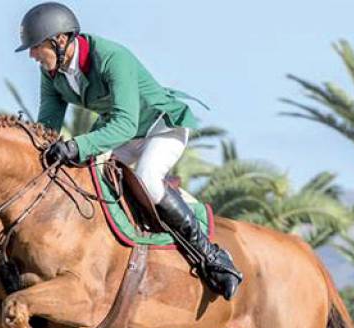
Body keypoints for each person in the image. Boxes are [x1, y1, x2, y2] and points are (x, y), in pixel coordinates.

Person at [16, 2, 243, 300]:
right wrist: (35, 151)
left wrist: (77, 145)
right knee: (86, 179)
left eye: (36, 47)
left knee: (147, 178)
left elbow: (124, 124)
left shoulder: (111, 57)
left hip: (161, 127)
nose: (32, 55)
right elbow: (48, 123)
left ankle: (209, 254)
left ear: (59, 41)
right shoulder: (53, 72)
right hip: (122, 132)